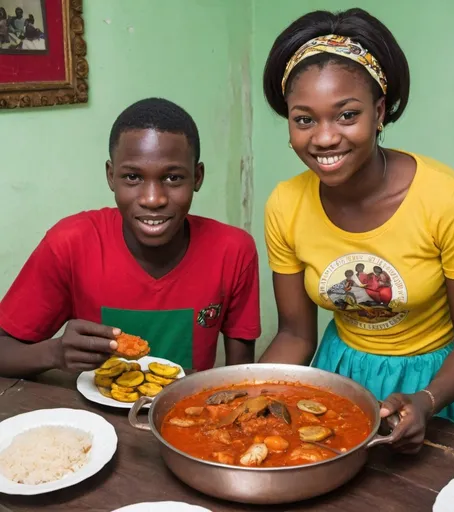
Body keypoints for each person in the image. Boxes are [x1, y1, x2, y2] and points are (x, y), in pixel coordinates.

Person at [259, 8, 454, 453]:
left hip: (430, 386)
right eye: (304, 119)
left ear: (380, 110)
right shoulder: (285, 204)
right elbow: (294, 334)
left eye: (346, 115)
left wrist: (427, 401)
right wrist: (248, 394)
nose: (324, 138)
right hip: (336, 370)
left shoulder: (450, 201)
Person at [0, 98, 261, 378]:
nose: (153, 199)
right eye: (133, 177)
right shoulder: (70, 244)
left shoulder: (232, 251)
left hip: (182, 415)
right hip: (91, 415)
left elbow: (241, 378)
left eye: (173, 178)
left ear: (197, 177)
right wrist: (54, 353)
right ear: (111, 176)